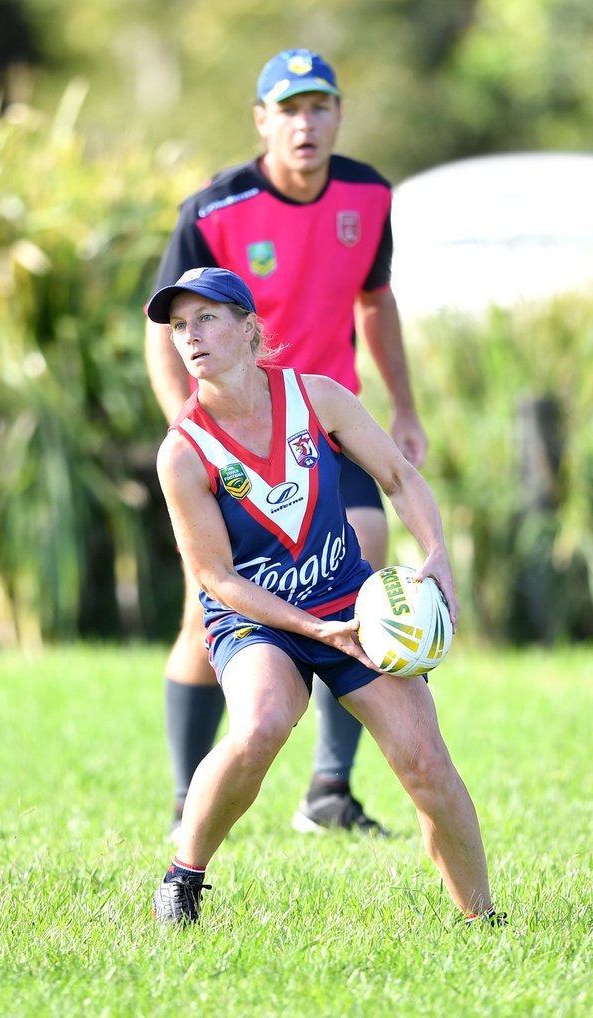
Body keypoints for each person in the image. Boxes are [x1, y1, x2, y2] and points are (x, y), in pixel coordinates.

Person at [145, 266, 502, 929]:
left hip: (351, 607)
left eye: (207, 319)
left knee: (427, 765)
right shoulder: (183, 453)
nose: (189, 337)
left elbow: (397, 474)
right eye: (178, 326)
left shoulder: (319, 399)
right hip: (255, 619)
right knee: (262, 724)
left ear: (250, 329)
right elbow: (217, 581)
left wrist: (437, 555)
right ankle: (182, 877)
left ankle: (483, 922)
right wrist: (311, 629)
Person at [145, 47, 428, 839]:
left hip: (325, 421)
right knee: (206, 618)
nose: (305, 124)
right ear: (262, 120)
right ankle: (184, 799)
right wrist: (188, 428)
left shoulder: (369, 194)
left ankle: (330, 793)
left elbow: (377, 301)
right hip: (233, 436)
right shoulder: (214, 209)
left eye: (320, 107)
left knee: (364, 578)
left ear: (338, 115)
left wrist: (403, 406)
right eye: (289, 110)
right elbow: (165, 331)